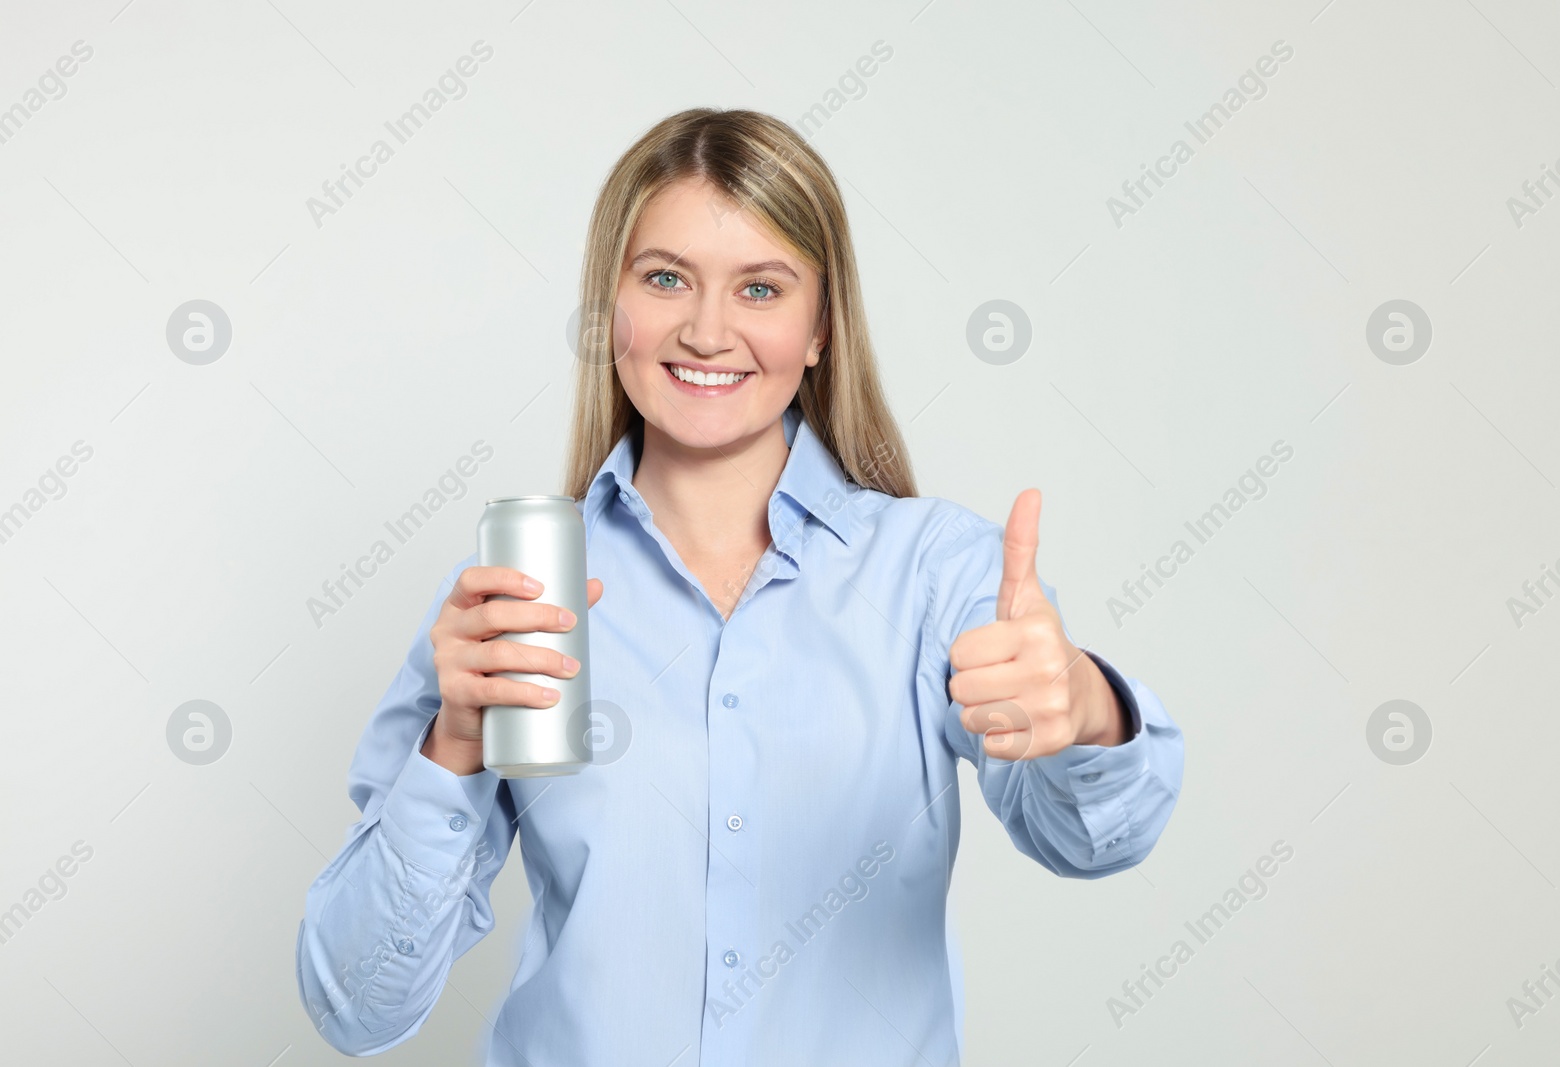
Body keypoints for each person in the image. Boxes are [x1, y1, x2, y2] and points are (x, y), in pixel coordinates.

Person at [296, 107, 1183, 1066]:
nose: (707, 331)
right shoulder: (512, 600)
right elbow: (357, 1009)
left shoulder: (932, 572)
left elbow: (1094, 841)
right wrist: (454, 744)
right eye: (666, 277)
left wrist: (1086, 707)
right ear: (611, 311)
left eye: (760, 288)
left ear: (819, 330)